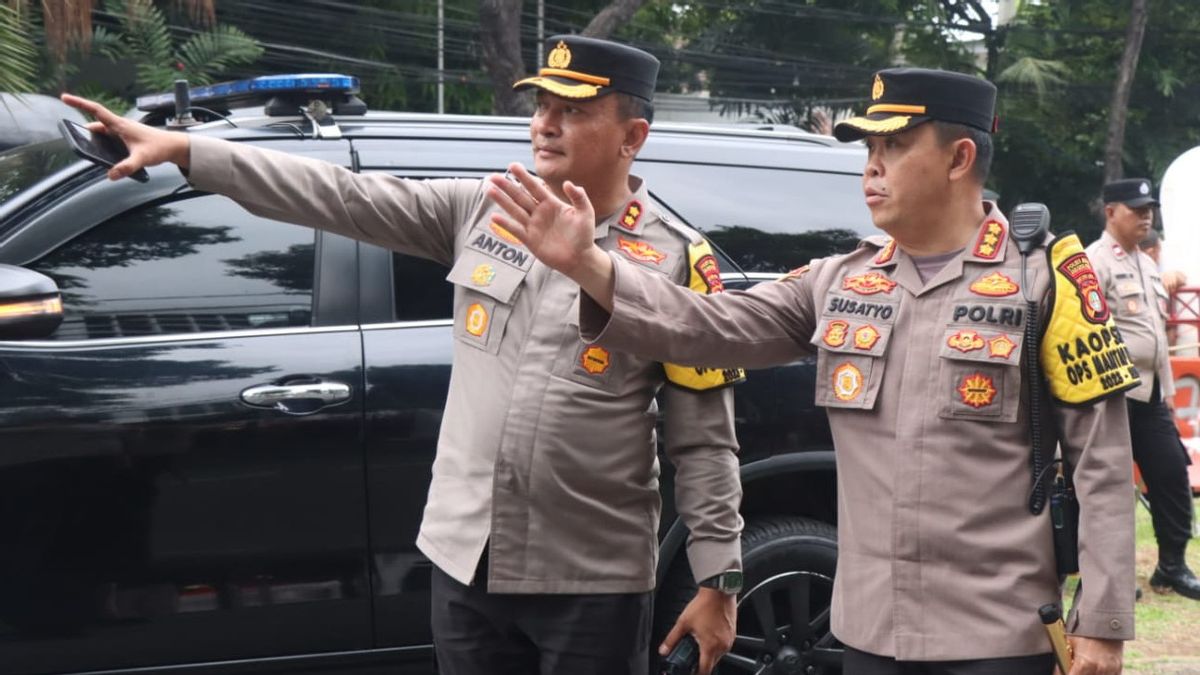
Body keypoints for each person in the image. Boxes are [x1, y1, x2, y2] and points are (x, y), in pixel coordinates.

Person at [62, 35, 744, 675]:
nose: (545, 124)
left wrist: (719, 579)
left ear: (633, 137)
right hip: (464, 559)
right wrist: (186, 150)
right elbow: (340, 196)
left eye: (573, 110)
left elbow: (705, 441)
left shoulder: (678, 261)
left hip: (590, 581)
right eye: (541, 105)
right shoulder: (486, 211)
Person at [487, 67, 1136, 674]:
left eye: (896, 145)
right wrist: (590, 267)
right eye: (867, 149)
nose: (872, 168)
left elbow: (1102, 465)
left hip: (997, 637)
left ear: (959, 158)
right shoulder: (840, 280)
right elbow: (707, 324)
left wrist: (1103, 621)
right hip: (865, 632)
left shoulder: (1045, 284)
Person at [1087, 179, 1199, 600]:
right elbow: (1083, 333)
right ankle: (1109, 576)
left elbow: (1156, 335)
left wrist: (1167, 393)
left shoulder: (1147, 264)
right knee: (1110, 490)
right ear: (1111, 211)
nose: (1146, 215)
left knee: (1171, 475)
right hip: (1111, 397)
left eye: (1148, 208)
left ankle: (1171, 567)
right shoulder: (1092, 261)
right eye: (1136, 209)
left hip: (1150, 397)